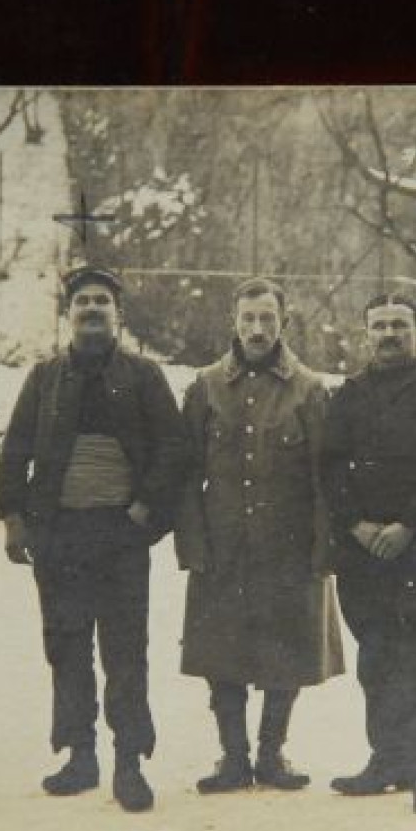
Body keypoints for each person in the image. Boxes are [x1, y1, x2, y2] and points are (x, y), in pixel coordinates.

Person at [0, 266, 190, 814]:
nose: (92, 309)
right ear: (68, 313)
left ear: (119, 316)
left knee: (126, 651)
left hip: (120, 536)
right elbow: (15, 452)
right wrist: (14, 516)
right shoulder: (45, 379)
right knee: (67, 647)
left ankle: (130, 762)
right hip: (60, 537)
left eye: (102, 301)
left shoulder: (144, 377)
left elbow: (174, 450)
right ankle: (79, 756)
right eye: (82, 301)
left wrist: (145, 507)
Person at [174, 278, 344, 793]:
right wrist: (192, 543)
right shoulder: (204, 386)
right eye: (248, 318)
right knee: (221, 651)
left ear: (283, 324)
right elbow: (184, 475)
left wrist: (323, 546)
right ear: (233, 322)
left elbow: (326, 476)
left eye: (267, 318)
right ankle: (232, 757)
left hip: (288, 548)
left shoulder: (310, 389)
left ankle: (272, 754)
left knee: (286, 649)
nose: (257, 329)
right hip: (223, 546)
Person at [321, 294, 416, 818]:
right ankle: (386, 759)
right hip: (361, 549)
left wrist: (407, 525)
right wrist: (357, 524)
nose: (388, 334)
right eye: (378, 325)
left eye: (399, 325)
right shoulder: (350, 394)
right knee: (377, 656)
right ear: (366, 334)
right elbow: (331, 466)